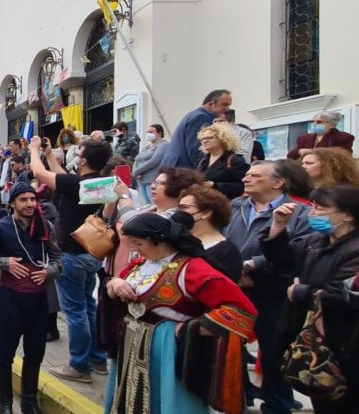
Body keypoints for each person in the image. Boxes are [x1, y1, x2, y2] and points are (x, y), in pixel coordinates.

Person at [104, 213, 257, 414]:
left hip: (166, 346)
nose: (134, 248)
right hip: (132, 341)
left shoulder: (193, 269)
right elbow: (116, 285)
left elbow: (241, 310)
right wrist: (114, 284)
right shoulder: (142, 262)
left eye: (138, 243)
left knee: (167, 398)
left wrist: (191, 329)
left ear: (158, 241)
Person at [261, 185, 359, 412]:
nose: (313, 213)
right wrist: (278, 227)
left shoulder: (354, 249)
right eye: (313, 207)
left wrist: (302, 292)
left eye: (322, 209)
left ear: (348, 214)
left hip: (344, 340)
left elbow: (347, 293)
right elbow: (283, 262)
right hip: (313, 336)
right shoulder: (317, 240)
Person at [225, 160, 313, 414]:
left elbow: (298, 253)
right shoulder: (235, 207)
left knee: (274, 353)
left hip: (271, 291)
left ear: (278, 183)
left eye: (255, 175)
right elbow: (222, 240)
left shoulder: (299, 213)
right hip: (233, 287)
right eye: (247, 174)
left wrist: (252, 266)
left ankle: (277, 405)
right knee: (230, 349)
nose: (245, 178)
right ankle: (241, 397)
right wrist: (234, 269)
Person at [29, 136, 112, 383]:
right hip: (92, 254)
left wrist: (34, 150)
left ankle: (79, 365)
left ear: (83, 159)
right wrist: (51, 155)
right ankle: (98, 359)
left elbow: (39, 172)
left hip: (72, 255)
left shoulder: (76, 183)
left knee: (75, 312)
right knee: (89, 307)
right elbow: (63, 178)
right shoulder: (97, 184)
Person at [0, 183, 60, 414]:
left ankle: (29, 402)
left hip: (39, 299)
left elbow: (58, 259)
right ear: (12, 203)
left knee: (35, 352)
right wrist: (5, 263)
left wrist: (49, 270)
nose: (30, 204)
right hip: (10, 298)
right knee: (5, 353)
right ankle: (5, 404)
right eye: (24, 199)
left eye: (33, 199)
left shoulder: (46, 226)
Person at [177, 185, 242, 281]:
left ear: (205, 213)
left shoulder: (226, 251)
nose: (178, 212)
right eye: (178, 207)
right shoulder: (177, 240)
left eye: (184, 208)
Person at [160, 89, 233, 168]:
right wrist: (204, 170)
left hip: (175, 167)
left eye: (229, 105)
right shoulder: (202, 117)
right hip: (182, 169)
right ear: (210, 104)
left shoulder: (195, 114)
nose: (228, 109)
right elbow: (197, 147)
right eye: (224, 105)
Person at [195, 123, 249, 201]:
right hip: (205, 202)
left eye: (209, 138)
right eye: (202, 139)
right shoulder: (201, 162)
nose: (205, 141)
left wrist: (214, 185)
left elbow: (243, 185)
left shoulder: (234, 160)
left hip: (229, 203)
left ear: (222, 139)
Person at [287, 110, 355, 160]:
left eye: (319, 122)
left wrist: (314, 152)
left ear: (332, 125)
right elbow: (291, 155)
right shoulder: (305, 138)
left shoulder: (343, 137)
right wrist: (299, 151)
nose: (314, 124)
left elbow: (344, 157)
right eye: (313, 121)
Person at [132, 124, 169, 204]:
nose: (148, 134)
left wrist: (138, 171)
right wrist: (135, 171)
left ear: (159, 133)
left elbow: (155, 160)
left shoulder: (163, 145)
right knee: (147, 204)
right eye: (147, 132)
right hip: (142, 180)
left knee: (154, 204)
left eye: (151, 132)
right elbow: (136, 160)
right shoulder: (146, 147)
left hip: (152, 180)